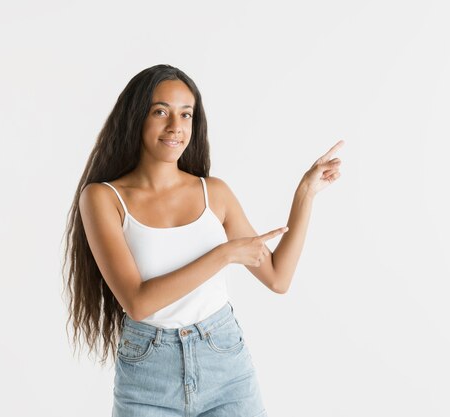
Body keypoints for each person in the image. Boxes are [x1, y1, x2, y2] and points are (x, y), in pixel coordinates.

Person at [62, 64, 344, 416]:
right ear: (136, 117)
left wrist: (306, 192)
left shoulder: (215, 193)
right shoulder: (103, 198)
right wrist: (223, 255)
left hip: (225, 364)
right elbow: (138, 303)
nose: (175, 127)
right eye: (160, 111)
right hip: (148, 377)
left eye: (186, 114)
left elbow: (277, 277)